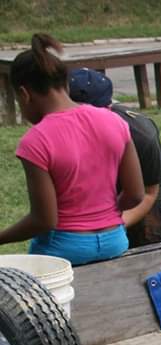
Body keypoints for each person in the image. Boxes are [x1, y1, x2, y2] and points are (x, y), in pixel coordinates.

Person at [0, 34, 143, 265]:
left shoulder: (36, 140)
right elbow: (136, 194)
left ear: (25, 94)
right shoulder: (114, 122)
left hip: (64, 249)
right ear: (65, 84)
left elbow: (43, 220)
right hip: (114, 241)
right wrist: (104, 214)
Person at [69, 67, 161, 247]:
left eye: (91, 115)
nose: (83, 121)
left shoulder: (141, 134)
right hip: (103, 183)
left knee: (154, 246)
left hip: (148, 184)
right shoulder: (56, 130)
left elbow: (148, 193)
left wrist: (110, 227)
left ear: (109, 107)